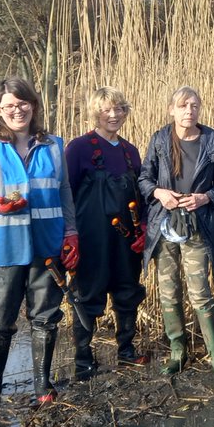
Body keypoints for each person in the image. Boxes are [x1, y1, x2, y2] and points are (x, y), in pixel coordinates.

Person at [0, 78, 78, 405]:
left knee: (45, 317)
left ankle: (43, 384)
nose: (18, 110)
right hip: (2, 247)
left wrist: (71, 233)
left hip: (48, 246)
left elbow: (64, 191)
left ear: (33, 105)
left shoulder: (54, 145)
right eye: (9, 105)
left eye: (23, 103)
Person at [138, 86, 214, 382]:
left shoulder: (211, 142)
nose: (189, 111)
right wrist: (158, 192)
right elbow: (144, 179)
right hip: (165, 227)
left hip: (198, 226)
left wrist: (205, 198)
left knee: (200, 293)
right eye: (183, 106)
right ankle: (178, 351)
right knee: (168, 290)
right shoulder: (159, 140)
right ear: (172, 110)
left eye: (194, 105)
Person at [64, 86, 149, 372]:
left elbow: (142, 195)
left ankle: (126, 349)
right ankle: (84, 359)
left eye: (119, 109)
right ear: (95, 113)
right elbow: (66, 195)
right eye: (106, 110)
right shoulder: (78, 149)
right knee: (88, 295)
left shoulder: (130, 152)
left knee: (127, 291)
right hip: (91, 239)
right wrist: (69, 234)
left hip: (126, 238)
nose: (113, 115)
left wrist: (144, 228)